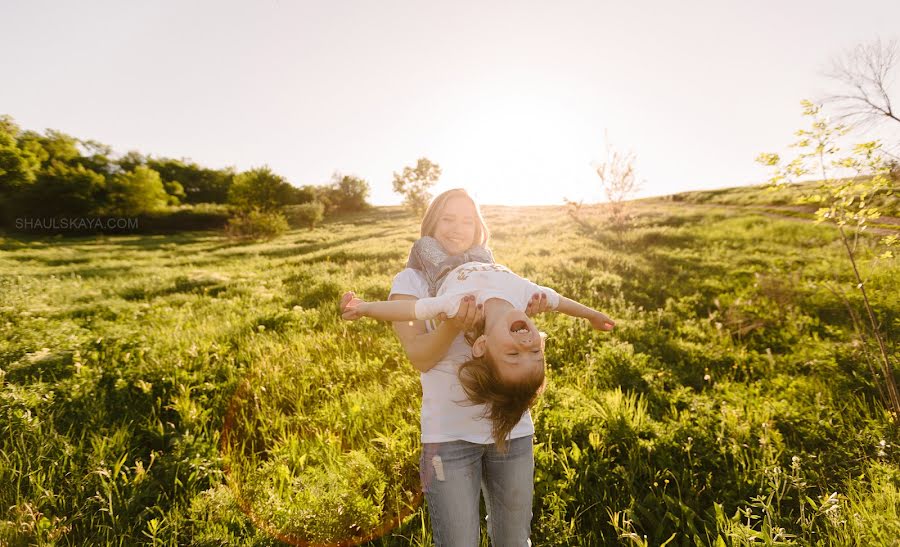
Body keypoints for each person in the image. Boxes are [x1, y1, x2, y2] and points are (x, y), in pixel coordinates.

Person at [339, 189, 613, 546]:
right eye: (449, 219)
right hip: (449, 438)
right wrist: (592, 315)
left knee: (514, 539)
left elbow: (553, 301)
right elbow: (420, 356)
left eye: (468, 220)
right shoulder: (414, 283)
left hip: (511, 432)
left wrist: (364, 308)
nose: (458, 228)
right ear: (431, 222)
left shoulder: (481, 290)